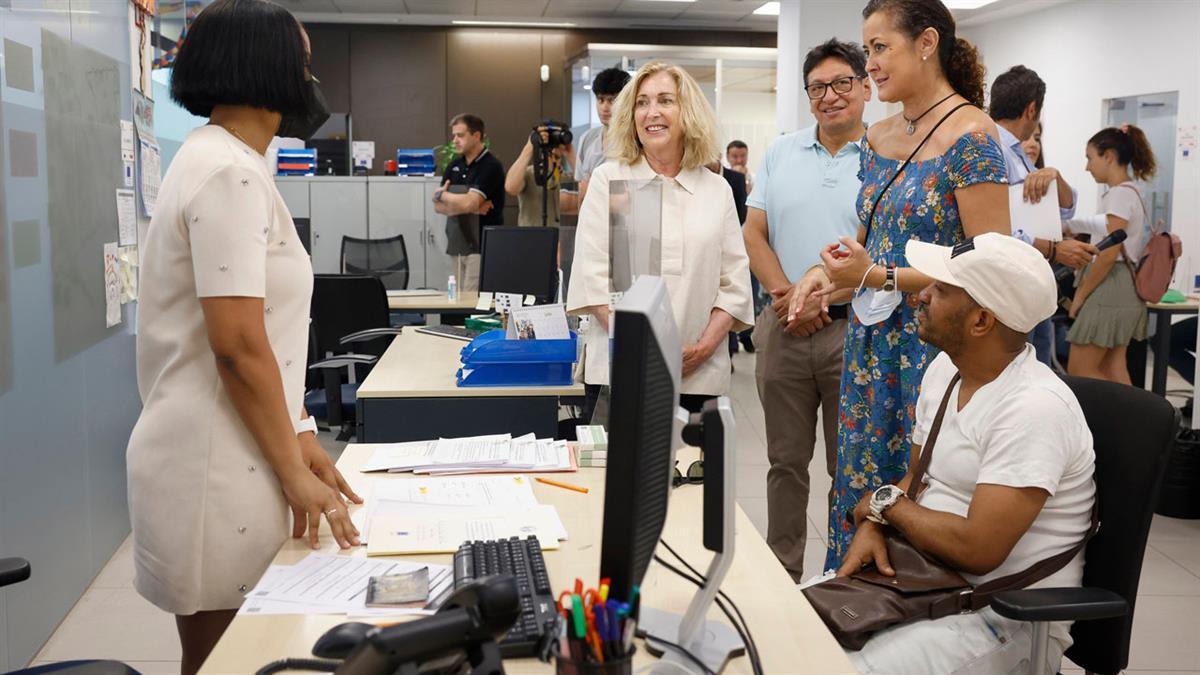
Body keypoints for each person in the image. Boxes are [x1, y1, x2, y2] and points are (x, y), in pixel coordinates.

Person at [126, 1, 362, 671]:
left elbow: (270, 344)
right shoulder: (227, 171)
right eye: (304, 62)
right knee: (224, 662)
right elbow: (237, 343)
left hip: (234, 449)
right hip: (213, 467)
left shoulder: (231, 163)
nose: (309, 79)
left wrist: (303, 434)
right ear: (264, 67)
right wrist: (292, 470)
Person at [786, 0, 1012, 570]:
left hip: (934, 347)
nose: (872, 65)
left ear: (927, 44)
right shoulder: (880, 136)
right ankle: (853, 609)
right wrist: (823, 277)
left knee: (919, 489)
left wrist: (875, 274)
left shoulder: (973, 137)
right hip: (871, 342)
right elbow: (866, 241)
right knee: (858, 481)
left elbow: (991, 262)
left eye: (880, 49)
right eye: (869, 51)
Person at [841, 232, 1095, 675]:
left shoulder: (1033, 409)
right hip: (928, 584)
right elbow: (914, 482)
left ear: (980, 321)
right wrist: (876, 525)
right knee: (791, 628)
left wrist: (885, 507)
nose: (920, 296)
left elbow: (978, 549)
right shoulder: (947, 371)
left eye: (940, 290)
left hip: (1004, 618)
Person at [742, 38, 871, 582]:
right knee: (785, 464)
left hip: (856, 330)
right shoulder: (781, 151)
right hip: (783, 327)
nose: (830, 96)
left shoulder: (886, 155)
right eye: (817, 87)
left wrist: (819, 299)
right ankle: (782, 575)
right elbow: (754, 233)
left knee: (851, 468)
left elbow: (882, 250)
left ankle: (847, 579)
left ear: (866, 87)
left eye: (842, 83)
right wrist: (788, 297)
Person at [567, 61, 753, 414]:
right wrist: (643, 349)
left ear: (689, 112)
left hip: (698, 373)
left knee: (690, 471)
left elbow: (735, 284)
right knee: (614, 471)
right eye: (641, 102)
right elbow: (591, 276)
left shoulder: (716, 190)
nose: (652, 112)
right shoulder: (610, 180)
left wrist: (701, 349)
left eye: (665, 100)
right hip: (618, 370)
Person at [987, 65, 1096, 366]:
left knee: (1035, 371)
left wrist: (1055, 177)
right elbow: (994, 230)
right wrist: (1054, 249)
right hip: (1006, 288)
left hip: (1030, 283)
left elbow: (1066, 207)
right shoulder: (992, 150)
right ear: (1032, 109)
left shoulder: (1018, 153)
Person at [1066, 125, 1157, 383]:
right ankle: (1135, 423)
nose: (1087, 167)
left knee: (1080, 369)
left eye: (1090, 158)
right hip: (1123, 287)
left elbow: (1108, 253)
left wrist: (1081, 296)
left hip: (1111, 287)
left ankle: (1127, 421)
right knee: (1114, 369)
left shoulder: (1118, 195)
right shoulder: (1131, 192)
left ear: (1108, 156)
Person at [433, 113, 506, 291]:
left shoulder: (490, 166)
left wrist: (443, 195)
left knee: (471, 302)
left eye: (460, 135)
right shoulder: (454, 166)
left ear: (476, 136)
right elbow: (438, 207)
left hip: (480, 246)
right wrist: (469, 206)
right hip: (457, 243)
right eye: (454, 135)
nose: (455, 140)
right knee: (457, 301)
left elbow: (468, 203)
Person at [574, 67, 632, 198]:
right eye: (600, 100)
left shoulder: (634, 140)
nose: (604, 107)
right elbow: (581, 189)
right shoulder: (587, 138)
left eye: (612, 100)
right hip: (591, 215)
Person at [505, 124, 576, 228]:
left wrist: (571, 154)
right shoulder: (529, 173)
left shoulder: (570, 177)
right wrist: (530, 146)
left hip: (561, 242)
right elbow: (510, 187)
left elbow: (591, 190)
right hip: (531, 240)